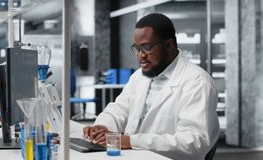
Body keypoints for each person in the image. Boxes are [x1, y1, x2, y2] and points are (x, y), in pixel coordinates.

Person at [83, 13, 219, 160]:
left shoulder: (197, 82)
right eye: (137, 48)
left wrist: (130, 141)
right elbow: (119, 109)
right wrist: (103, 126)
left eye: (147, 48)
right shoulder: (139, 76)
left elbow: (194, 143)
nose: (140, 55)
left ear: (168, 45)